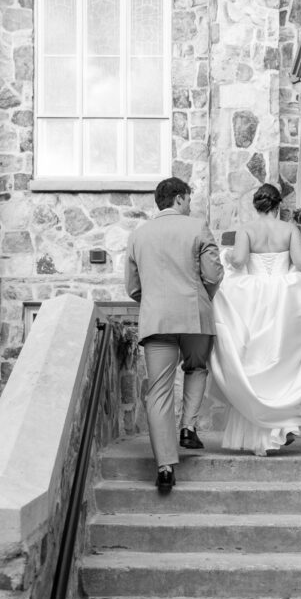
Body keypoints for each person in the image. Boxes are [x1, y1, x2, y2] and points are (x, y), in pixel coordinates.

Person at [209, 183, 301, 455]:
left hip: (255, 303)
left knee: (256, 359)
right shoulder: (289, 229)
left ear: (257, 206)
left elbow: (238, 261)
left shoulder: (247, 230)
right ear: (278, 207)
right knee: (285, 362)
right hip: (285, 304)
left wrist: (228, 257)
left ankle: (262, 429)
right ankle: (283, 426)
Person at [125, 177, 224, 493]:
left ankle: (165, 467)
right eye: (189, 199)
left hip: (157, 319)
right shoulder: (197, 227)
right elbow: (212, 274)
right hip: (195, 315)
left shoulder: (138, 236)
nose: (191, 204)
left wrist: (155, 302)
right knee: (196, 367)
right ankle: (188, 427)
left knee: (158, 391)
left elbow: (132, 287)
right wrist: (200, 297)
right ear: (180, 199)